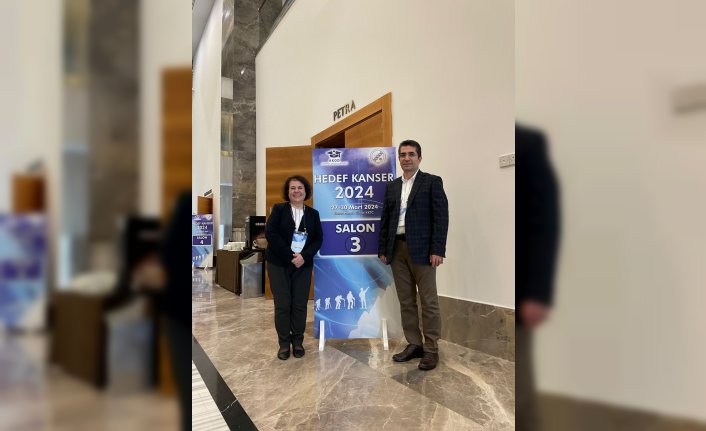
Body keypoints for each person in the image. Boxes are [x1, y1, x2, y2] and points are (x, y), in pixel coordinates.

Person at [378, 140, 449, 371]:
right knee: (406, 301)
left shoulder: (432, 182)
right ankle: (414, 344)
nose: (406, 158)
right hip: (397, 249)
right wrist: (383, 249)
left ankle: (431, 349)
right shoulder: (392, 187)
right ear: (399, 159)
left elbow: (441, 217)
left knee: (429, 302)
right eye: (403, 154)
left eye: (411, 154)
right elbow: (386, 219)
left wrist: (437, 249)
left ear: (419, 158)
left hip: (424, 250)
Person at [516, 124, 560, 430]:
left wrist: (538, 292)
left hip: (525, 288)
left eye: (411, 153)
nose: (406, 158)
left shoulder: (529, 142)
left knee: (522, 392)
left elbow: (545, 222)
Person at [265, 175, 323, 360]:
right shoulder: (279, 209)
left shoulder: (313, 214)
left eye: (300, 188)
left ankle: (297, 342)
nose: (296, 191)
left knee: (299, 304)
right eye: (292, 188)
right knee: (282, 305)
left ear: (306, 191)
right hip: (279, 264)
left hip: (303, 265)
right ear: (287, 192)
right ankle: (284, 344)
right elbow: (271, 233)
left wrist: (304, 257)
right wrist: (291, 257)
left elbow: (318, 239)